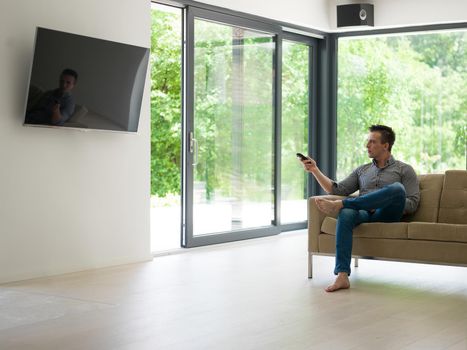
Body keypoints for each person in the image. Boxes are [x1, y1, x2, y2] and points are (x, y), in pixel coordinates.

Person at [299, 125, 420, 292]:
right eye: (367, 141)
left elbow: (412, 203)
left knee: (397, 189)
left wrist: (380, 201)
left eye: (372, 142)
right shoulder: (362, 170)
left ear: (385, 145)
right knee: (347, 213)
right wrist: (314, 170)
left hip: (387, 213)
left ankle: (344, 204)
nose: (367, 145)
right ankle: (342, 276)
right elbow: (337, 189)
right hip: (363, 212)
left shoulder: (404, 169)